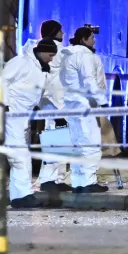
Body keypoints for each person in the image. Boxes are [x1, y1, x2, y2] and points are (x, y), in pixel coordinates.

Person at [3, 37, 58, 208]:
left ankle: (21, 195)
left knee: (21, 155)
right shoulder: (21, 62)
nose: (52, 58)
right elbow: (1, 80)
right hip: (11, 114)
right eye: (50, 55)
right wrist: (3, 105)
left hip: (21, 117)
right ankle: (22, 196)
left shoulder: (40, 69)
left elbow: (40, 95)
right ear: (42, 52)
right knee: (19, 155)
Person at [58, 26, 109, 193]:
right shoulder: (85, 56)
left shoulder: (68, 55)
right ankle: (88, 182)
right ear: (83, 40)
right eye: (92, 38)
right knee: (91, 143)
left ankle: (79, 182)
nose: (94, 41)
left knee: (78, 145)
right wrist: (102, 102)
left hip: (71, 104)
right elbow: (89, 81)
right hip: (86, 105)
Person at [35, 20, 75, 193]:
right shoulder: (58, 50)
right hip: (56, 100)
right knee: (57, 138)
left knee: (55, 137)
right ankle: (50, 179)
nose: (63, 34)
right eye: (61, 30)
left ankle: (54, 178)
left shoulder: (40, 48)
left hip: (48, 99)